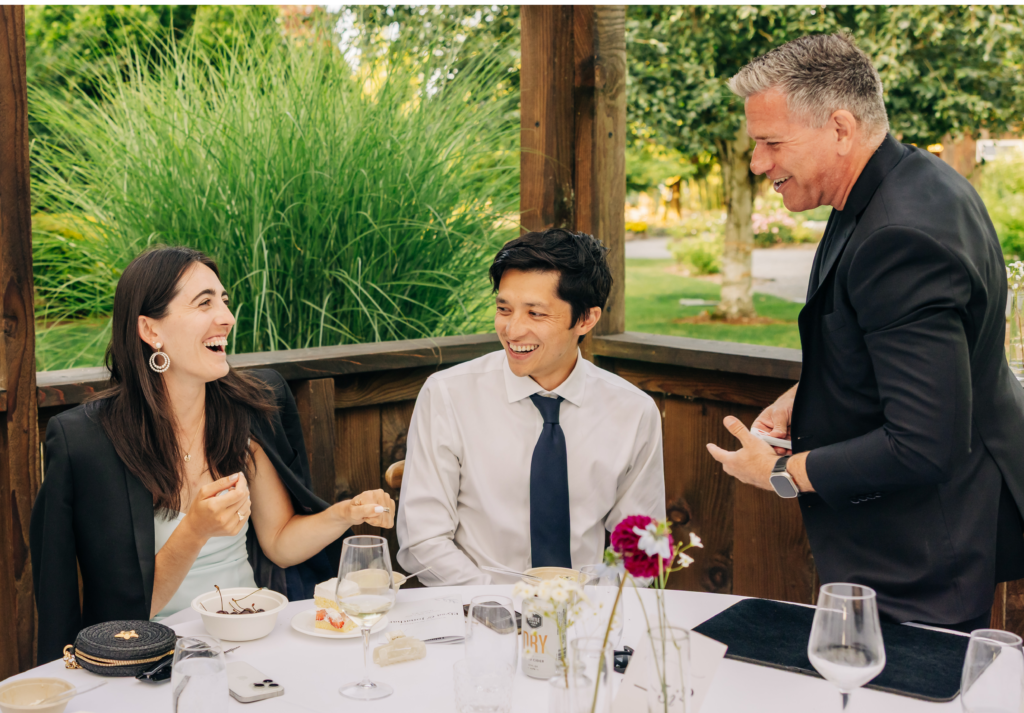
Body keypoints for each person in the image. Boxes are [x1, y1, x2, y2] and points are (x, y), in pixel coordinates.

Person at [706, 33, 1024, 631]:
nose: (758, 164)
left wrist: (779, 475)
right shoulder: (912, 179)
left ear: (841, 128)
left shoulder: (898, 234)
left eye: (772, 143)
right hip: (911, 539)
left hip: (921, 554)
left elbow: (923, 442)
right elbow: (904, 355)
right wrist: (807, 394)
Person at [31, 246, 395, 664]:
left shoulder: (245, 411)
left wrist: (345, 513)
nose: (227, 317)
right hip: (150, 660)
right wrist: (196, 528)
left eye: (223, 300)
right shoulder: (89, 443)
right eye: (204, 302)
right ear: (151, 330)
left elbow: (278, 542)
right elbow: (128, 611)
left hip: (254, 639)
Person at [396, 229, 665, 586]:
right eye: (503, 309)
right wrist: (501, 607)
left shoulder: (633, 411)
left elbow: (640, 547)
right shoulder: (448, 395)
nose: (512, 329)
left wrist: (602, 615)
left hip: (589, 617)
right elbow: (422, 540)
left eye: (536, 314)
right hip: (479, 611)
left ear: (586, 319)